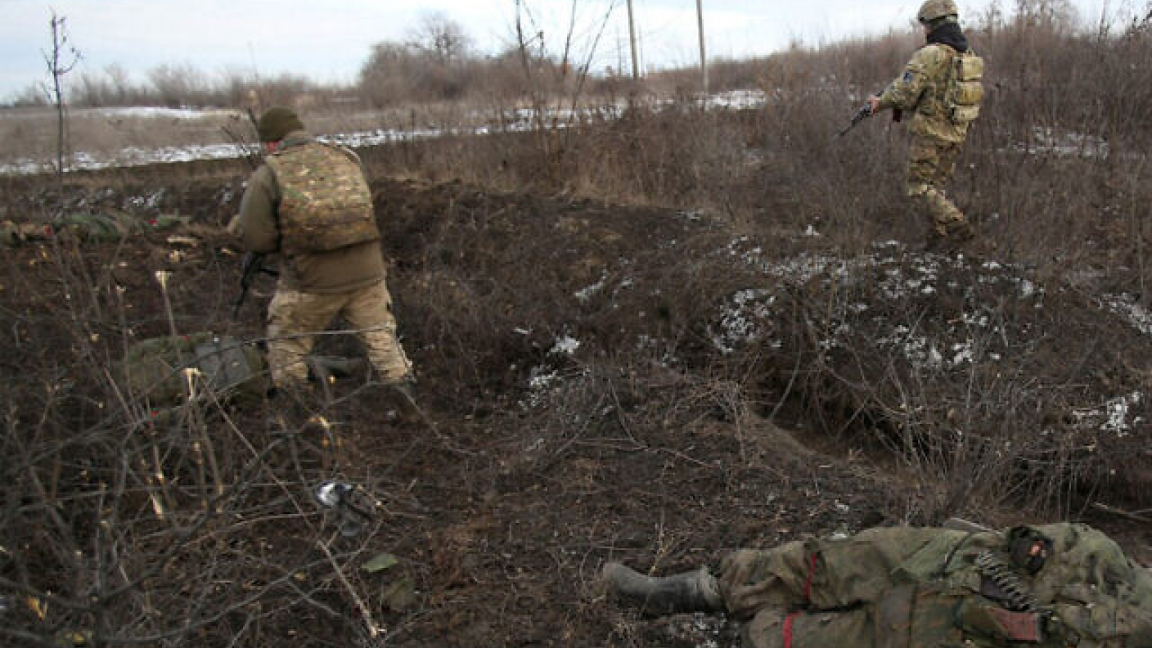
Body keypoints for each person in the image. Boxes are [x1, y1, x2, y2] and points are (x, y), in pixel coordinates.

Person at [603, 521, 1152, 648]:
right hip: (965, 557)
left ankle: (729, 631)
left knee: (825, 637)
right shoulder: (1124, 568)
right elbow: (1089, 547)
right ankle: (695, 591)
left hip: (963, 634)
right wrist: (1039, 548)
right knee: (834, 561)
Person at [233, 106, 415, 406]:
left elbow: (257, 239)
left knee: (287, 346)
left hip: (312, 280)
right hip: (368, 273)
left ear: (269, 142)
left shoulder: (268, 174)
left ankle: (296, 417)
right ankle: (410, 404)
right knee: (383, 341)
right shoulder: (344, 158)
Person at [867, 0, 984, 251]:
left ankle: (959, 227)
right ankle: (938, 239)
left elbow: (904, 94)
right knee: (935, 188)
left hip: (932, 135)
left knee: (918, 188)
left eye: (926, 26)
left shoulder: (930, 55)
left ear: (932, 25)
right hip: (956, 134)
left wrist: (880, 102)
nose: (925, 31)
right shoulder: (966, 54)